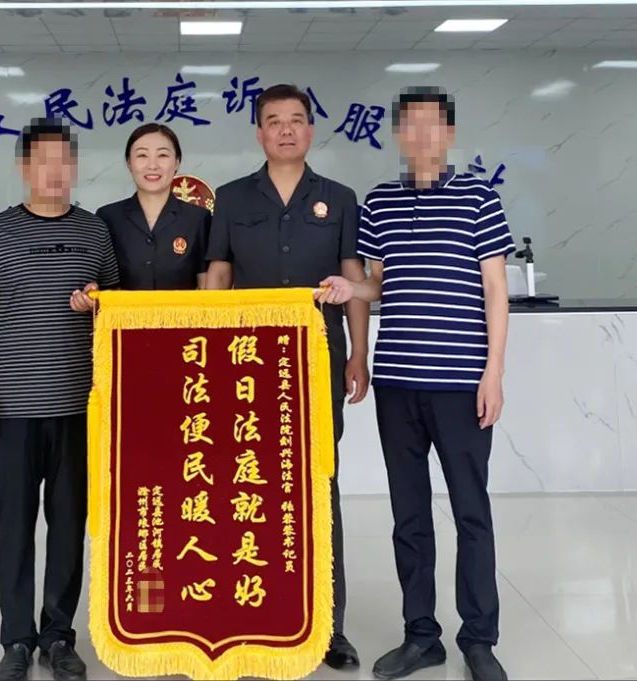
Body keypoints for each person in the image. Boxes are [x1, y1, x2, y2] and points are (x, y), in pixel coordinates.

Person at [317, 87, 513, 681]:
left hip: (460, 383)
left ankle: (479, 638)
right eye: (411, 126)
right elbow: (379, 285)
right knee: (409, 515)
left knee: (471, 511)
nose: (422, 136)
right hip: (398, 384)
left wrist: (494, 371)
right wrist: (351, 290)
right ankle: (421, 635)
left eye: (433, 126)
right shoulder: (379, 202)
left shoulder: (479, 198)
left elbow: (496, 291)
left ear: (448, 134)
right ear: (399, 135)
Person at [205, 83, 370, 671]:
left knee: (319, 482)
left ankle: (329, 626)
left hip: (318, 357)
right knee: (249, 483)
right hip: (246, 363)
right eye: (273, 121)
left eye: (296, 119)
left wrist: (358, 353)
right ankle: (253, 612)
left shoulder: (339, 198)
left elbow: (352, 277)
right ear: (259, 133)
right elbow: (217, 276)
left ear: (310, 130)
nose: (285, 130)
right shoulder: (230, 198)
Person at [0, 117, 120, 681]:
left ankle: (57, 636)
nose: (55, 172)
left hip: (79, 408)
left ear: (74, 166)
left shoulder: (95, 232)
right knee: (14, 527)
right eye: (43, 161)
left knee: (68, 526)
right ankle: (16, 640)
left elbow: (115, 314)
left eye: (64, 161)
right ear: (24, 167)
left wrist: (96, 303)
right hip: (13, 408)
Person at [96, 123, 211, 290]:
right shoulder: (108, 218)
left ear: (177, 162)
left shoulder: (198, 219)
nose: (152, 165)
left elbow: (207, 289)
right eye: (142, 155)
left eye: (162, 155)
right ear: (129, 163)